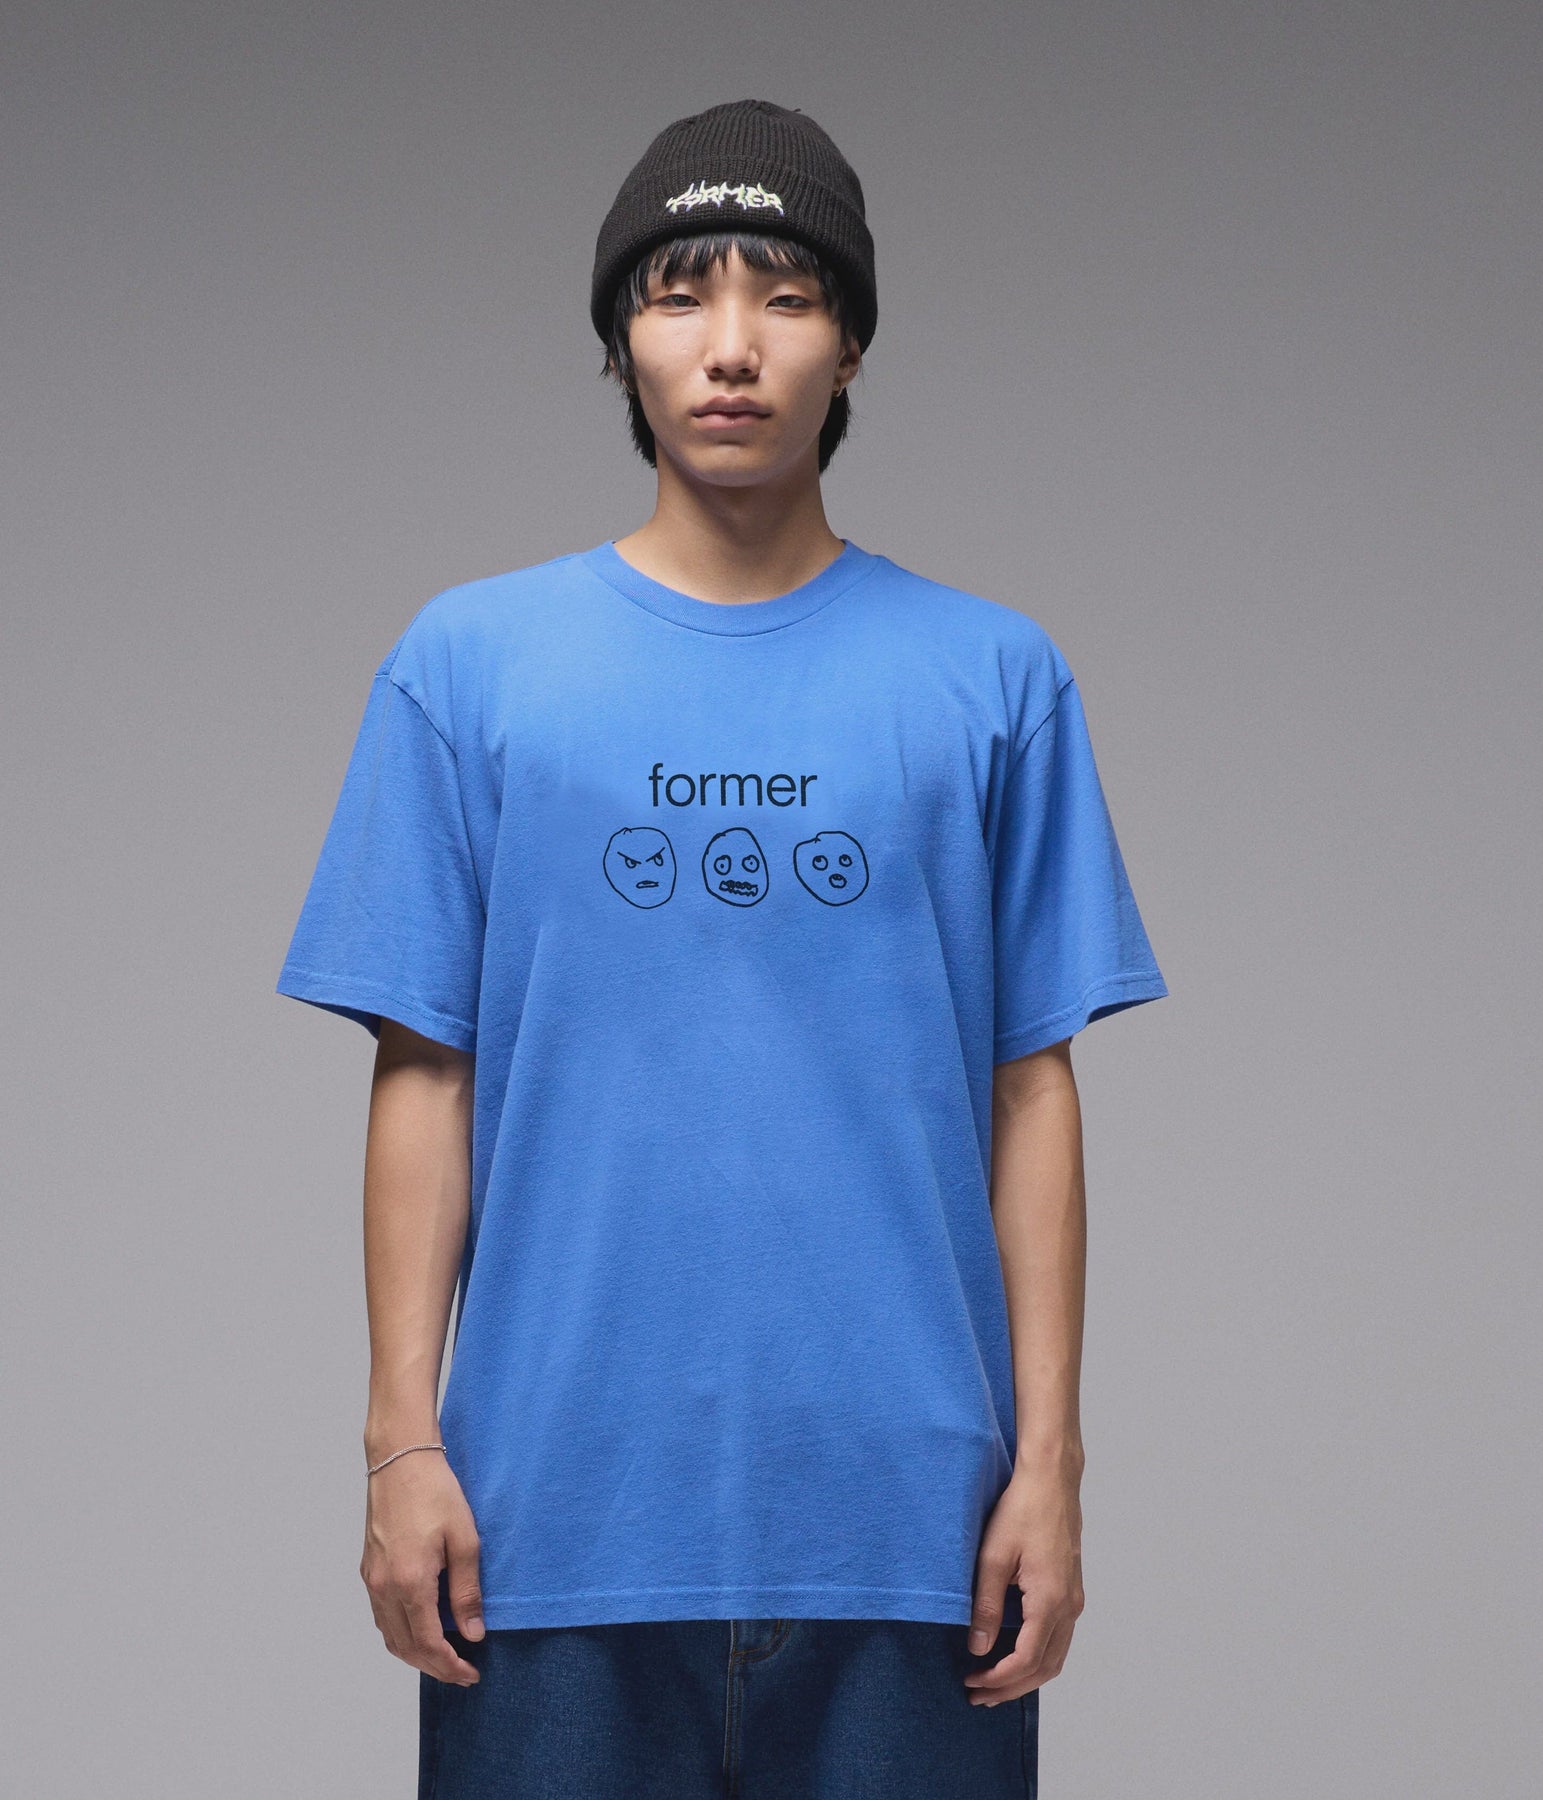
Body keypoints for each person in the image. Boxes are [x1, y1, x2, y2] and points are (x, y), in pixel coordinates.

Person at [275, 97, 1168, 1800]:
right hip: (545, 1525)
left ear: (853, 346)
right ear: (622, 341)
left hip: (913, 1530)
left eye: (789, 295)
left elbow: (1031, 1090)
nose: (734, 345)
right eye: (681, 294)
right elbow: (425, 1073)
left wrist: (1050, 1467)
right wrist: (400, 1445)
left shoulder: (993, 678)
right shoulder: (469, 667)